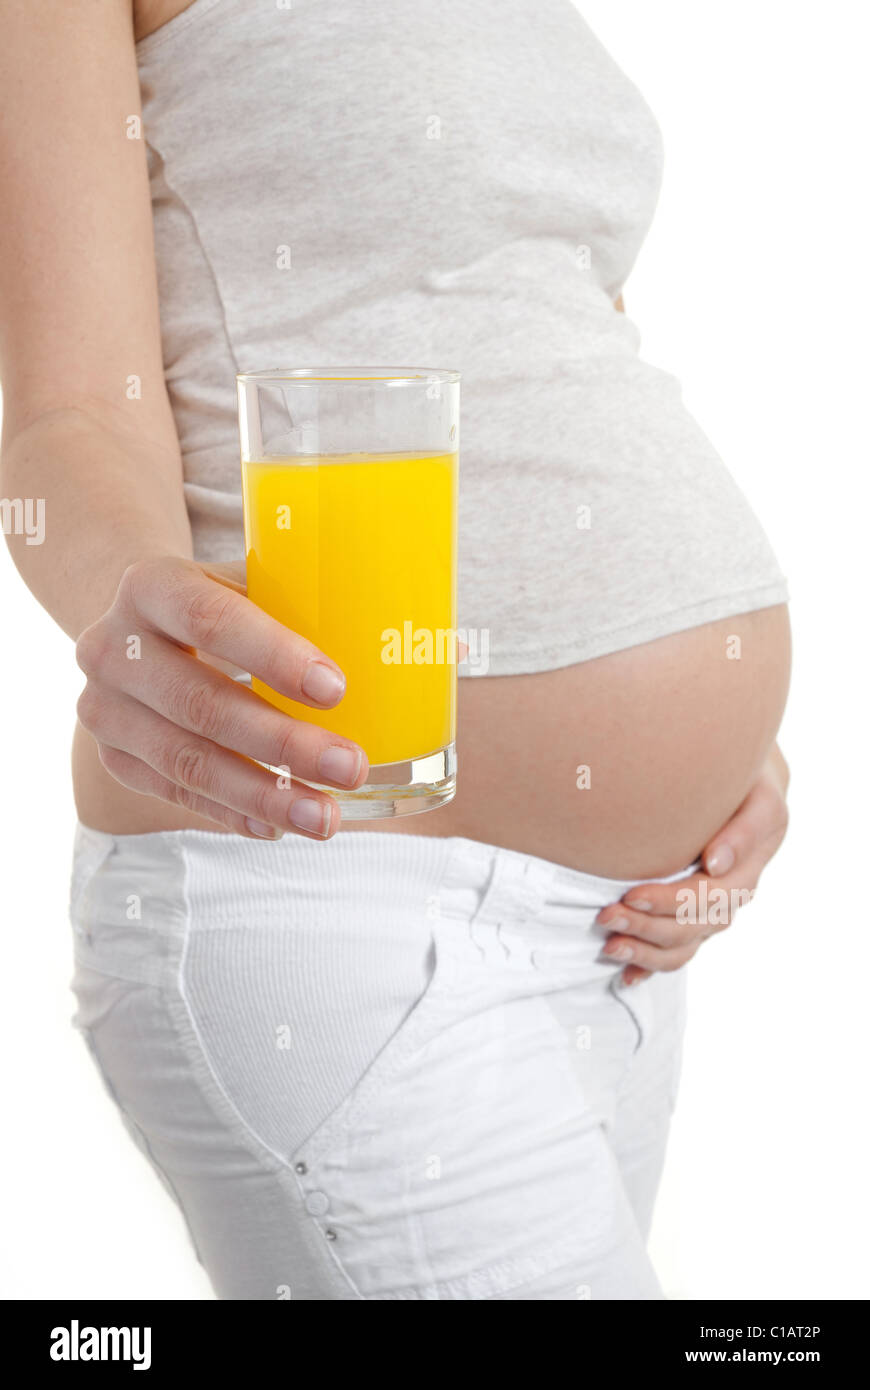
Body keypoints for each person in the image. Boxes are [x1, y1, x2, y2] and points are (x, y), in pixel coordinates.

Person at [0, 0, 791, 1300]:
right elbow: (72, 408)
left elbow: (555, 349)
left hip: (623, 933)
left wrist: (712, 719)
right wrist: (132, 610)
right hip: (343, 889)